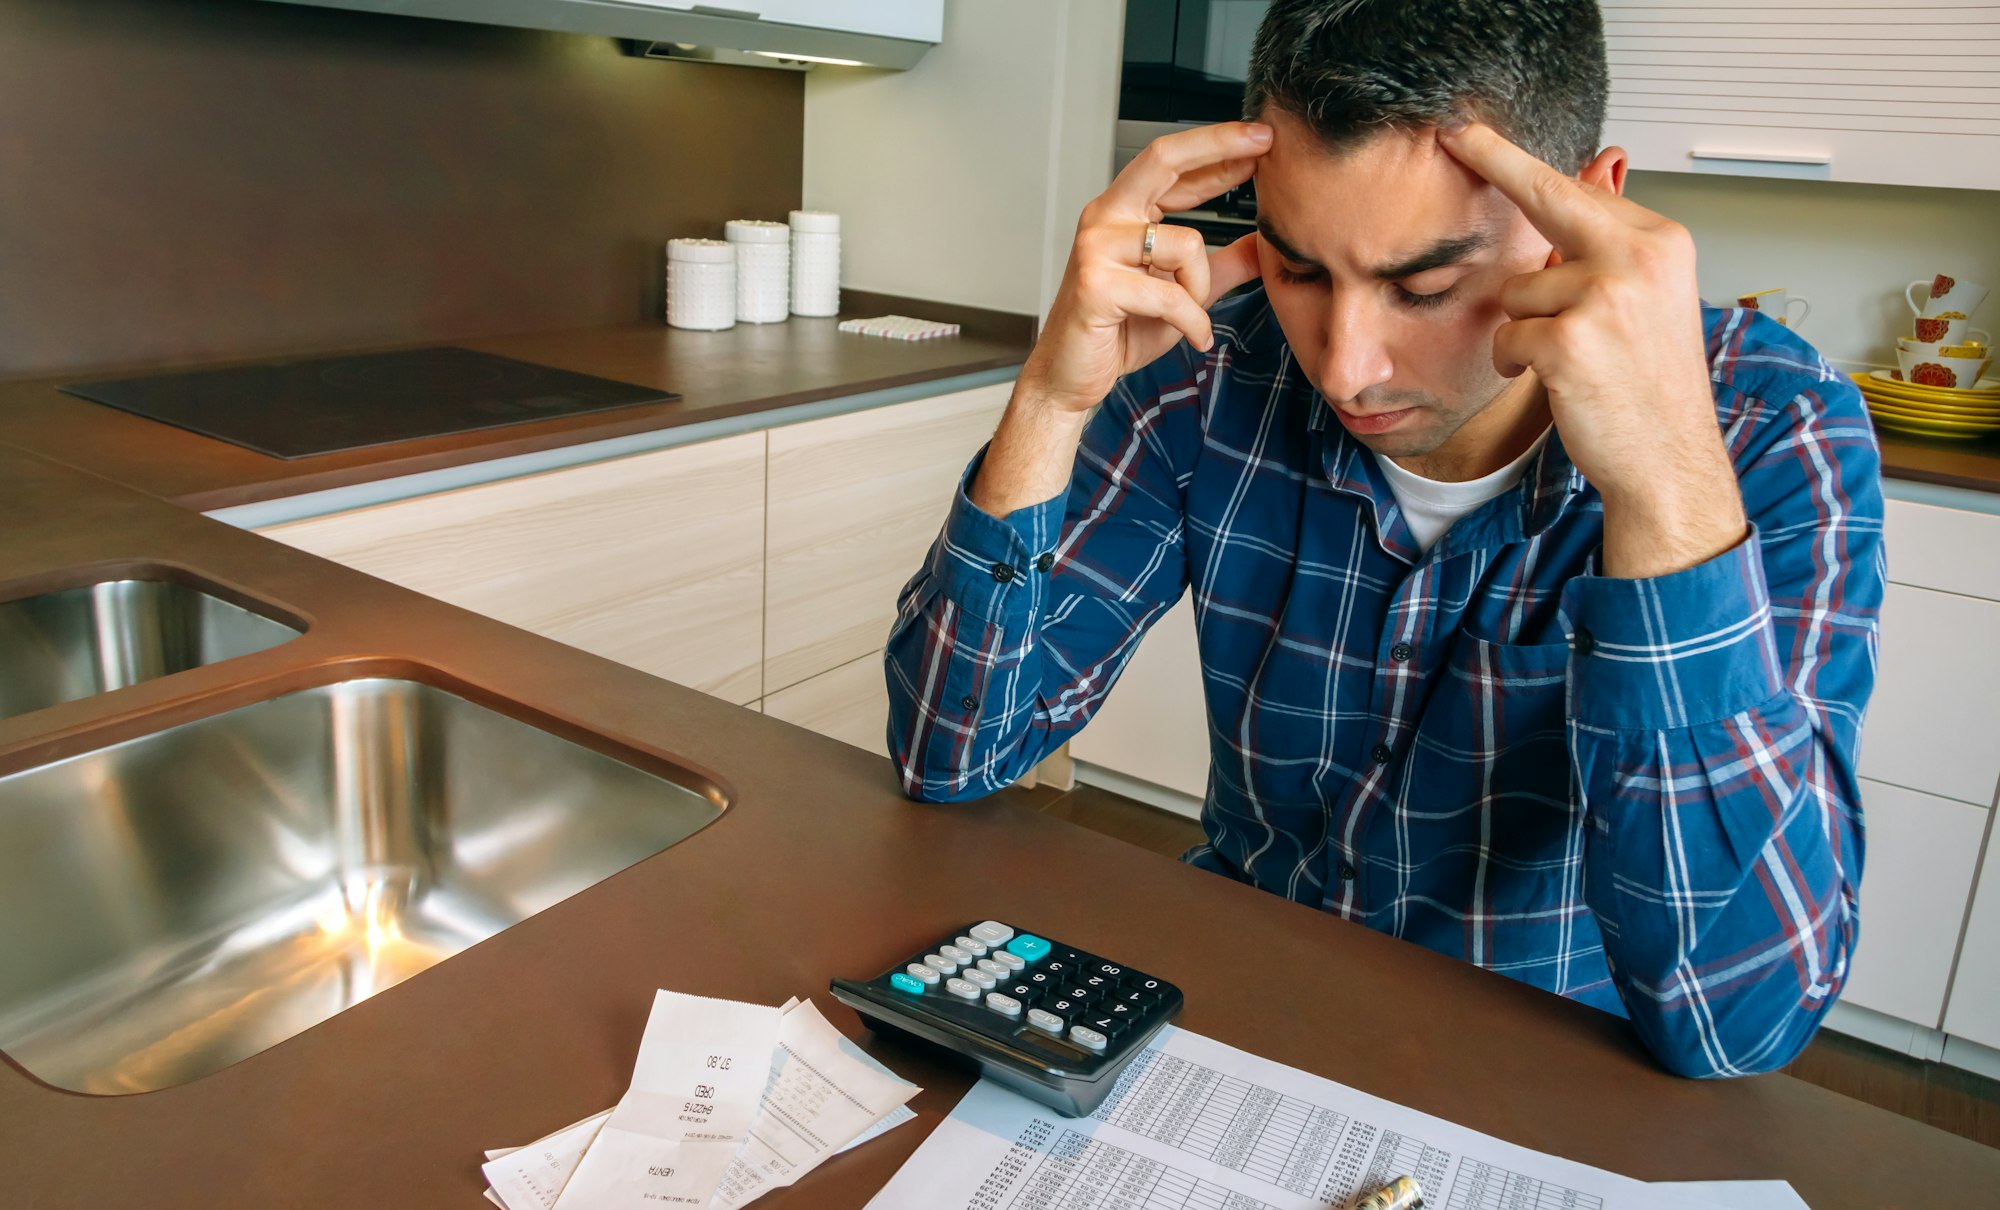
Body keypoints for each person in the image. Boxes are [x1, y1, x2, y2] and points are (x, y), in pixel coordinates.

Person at [884, 0, 1883, 1078]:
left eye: (1423, 286)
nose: (1347, 364)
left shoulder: (1765, 425)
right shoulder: (1208, 364)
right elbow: (952, 753)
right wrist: (1048, 396)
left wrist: (1663, 495)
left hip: (1540, 1063)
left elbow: (1734, 1020)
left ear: (1585, 209)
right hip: (1240, 998)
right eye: (1298, 267)